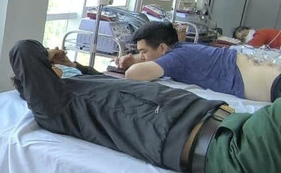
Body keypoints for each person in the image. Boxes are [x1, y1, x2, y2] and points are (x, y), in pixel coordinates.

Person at [10, 39, 281, 173]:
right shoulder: (56, 107)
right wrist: (47, 55)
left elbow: (93, 77)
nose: (62, 56)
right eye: (55, 62)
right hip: (228, 149)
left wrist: (71, 65)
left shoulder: (87, 87)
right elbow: (23, 49)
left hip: (233, 126)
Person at [115, 21, 280, 102]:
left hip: (274, 85)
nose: (142, 56)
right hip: (272, 79)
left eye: (143, 52)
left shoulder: (176, 57)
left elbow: (132, 75)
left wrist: (134, 61)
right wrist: (137, 58)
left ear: (163, 48)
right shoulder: (186, 49)